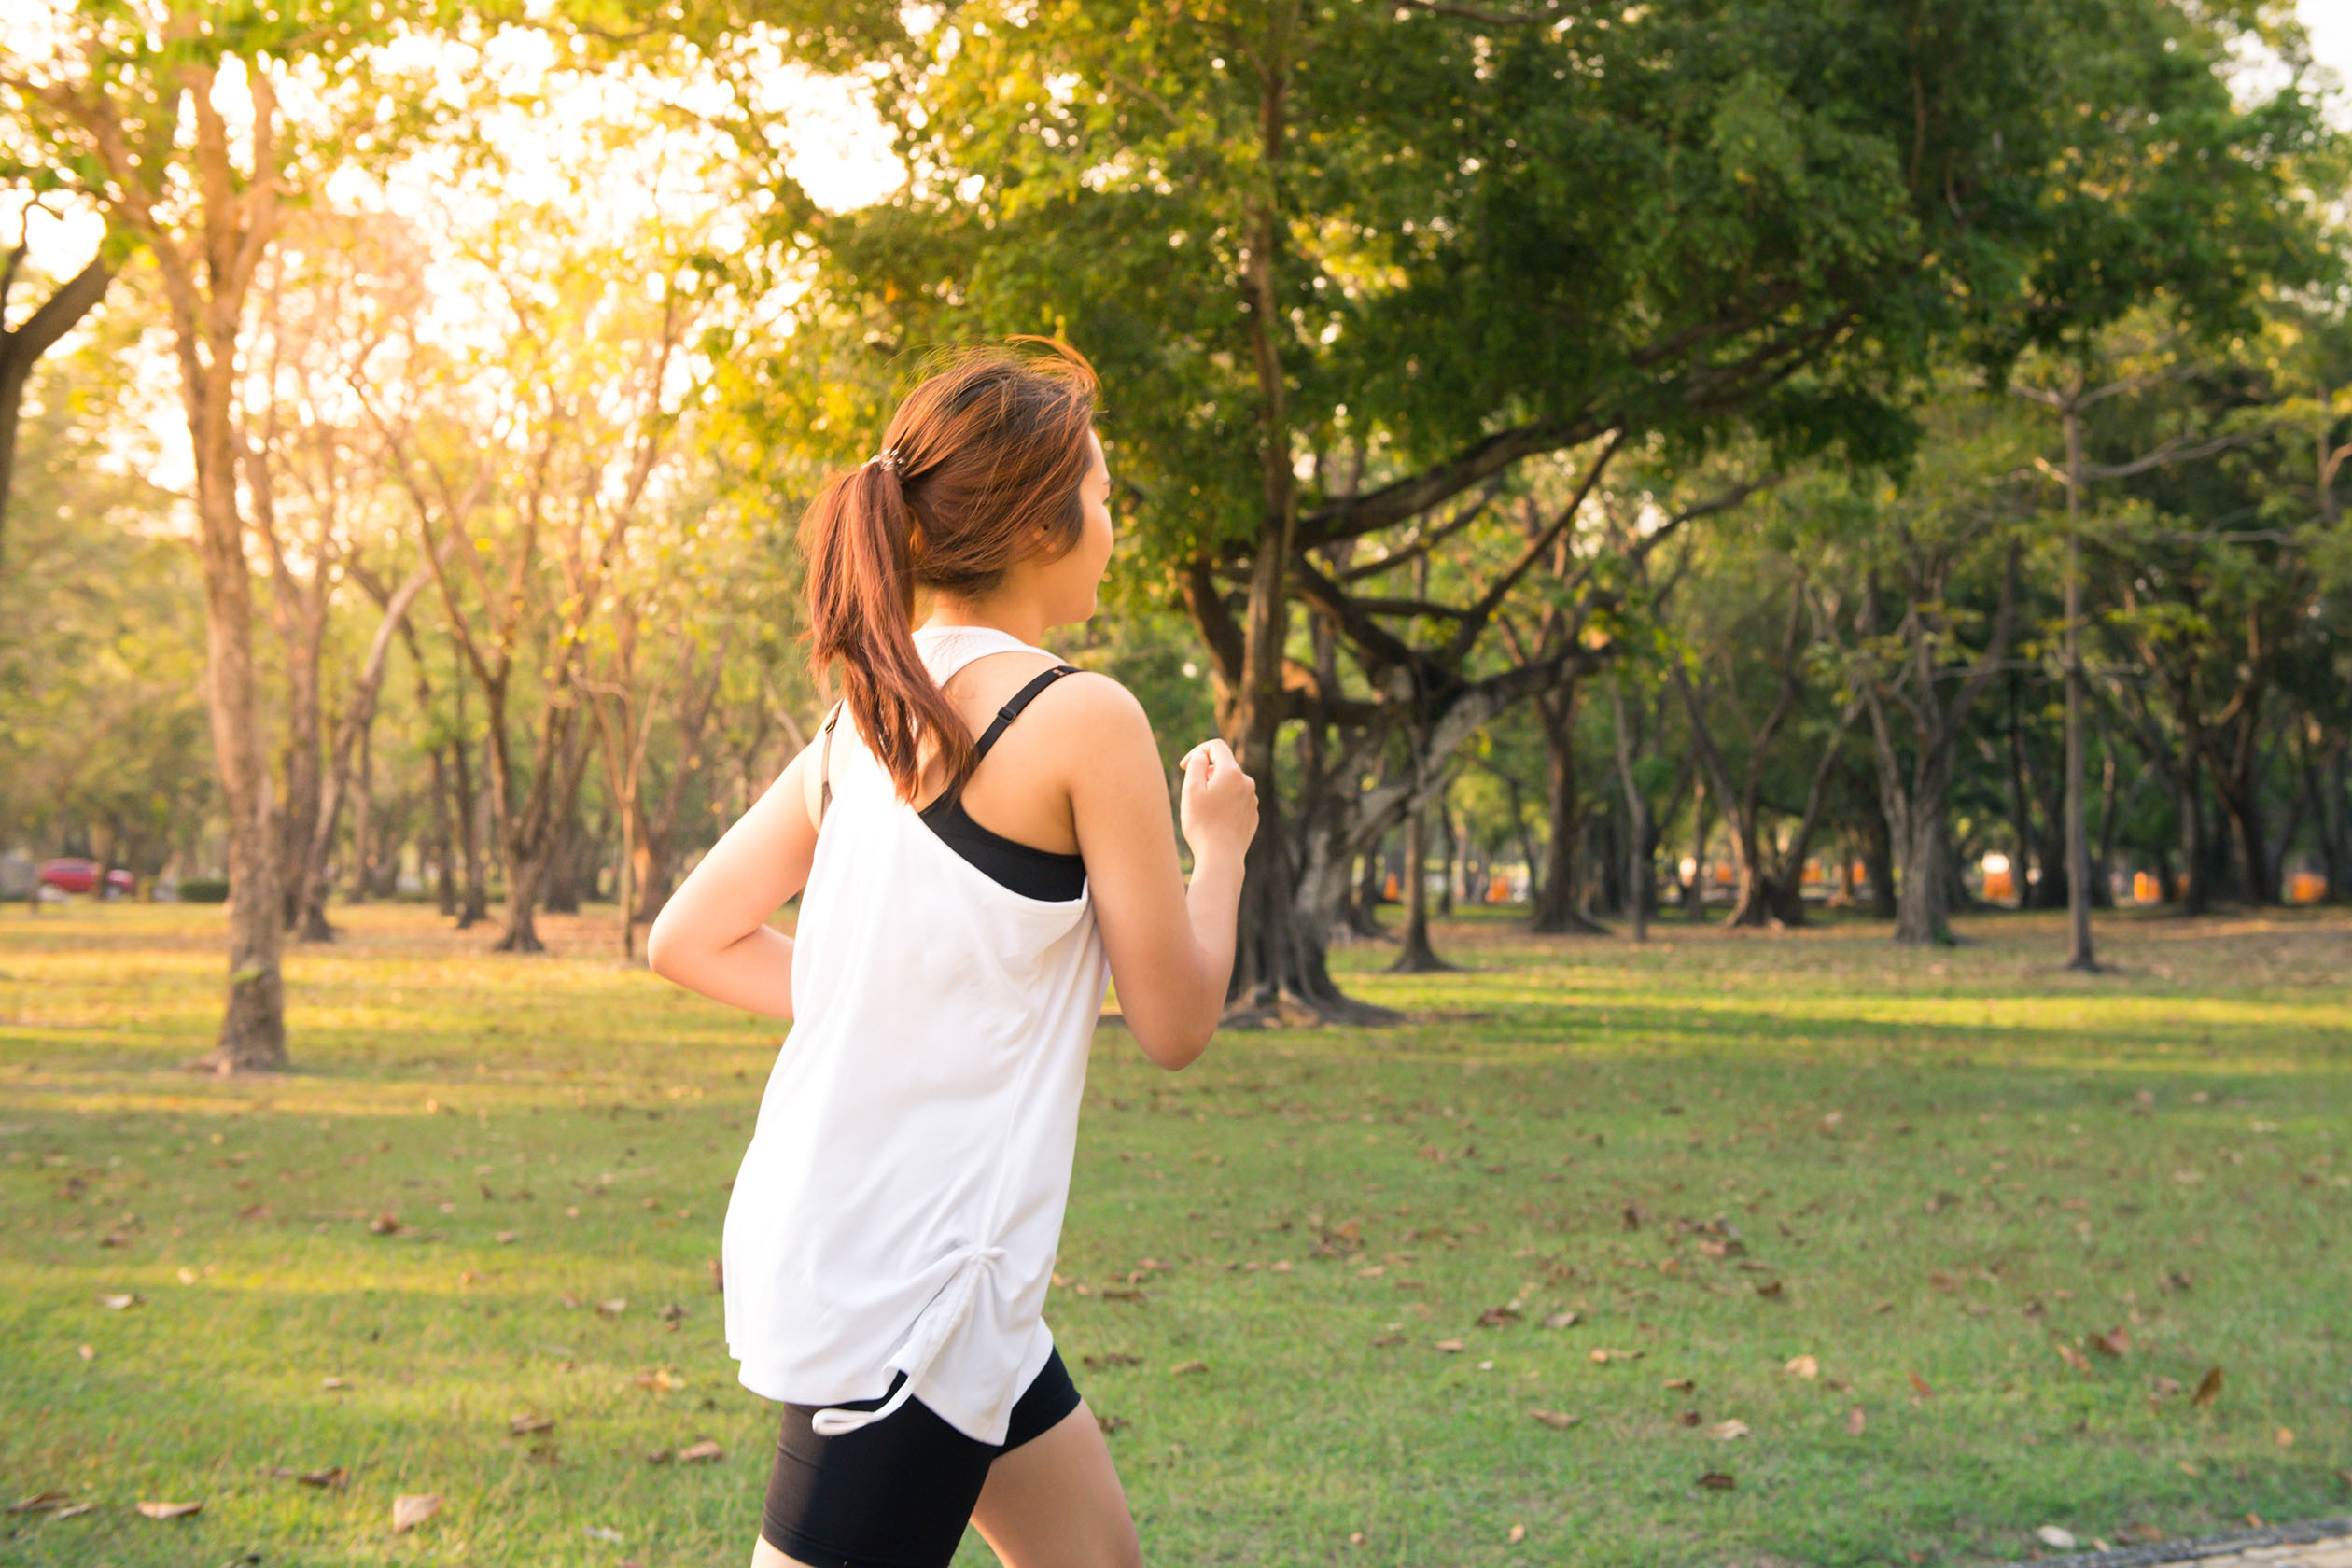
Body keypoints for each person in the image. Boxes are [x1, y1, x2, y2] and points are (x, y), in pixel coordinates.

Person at [646, 340, 1258, 1568]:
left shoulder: (865, 717)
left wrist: (886, 1008)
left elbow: (690, 937)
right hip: (910, 1289)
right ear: (1039, 522)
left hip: (933, 1269)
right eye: (1100, 496)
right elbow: (1178, 1021)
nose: (1111, 525)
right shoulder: (1083, 716)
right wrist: (1222, 846)